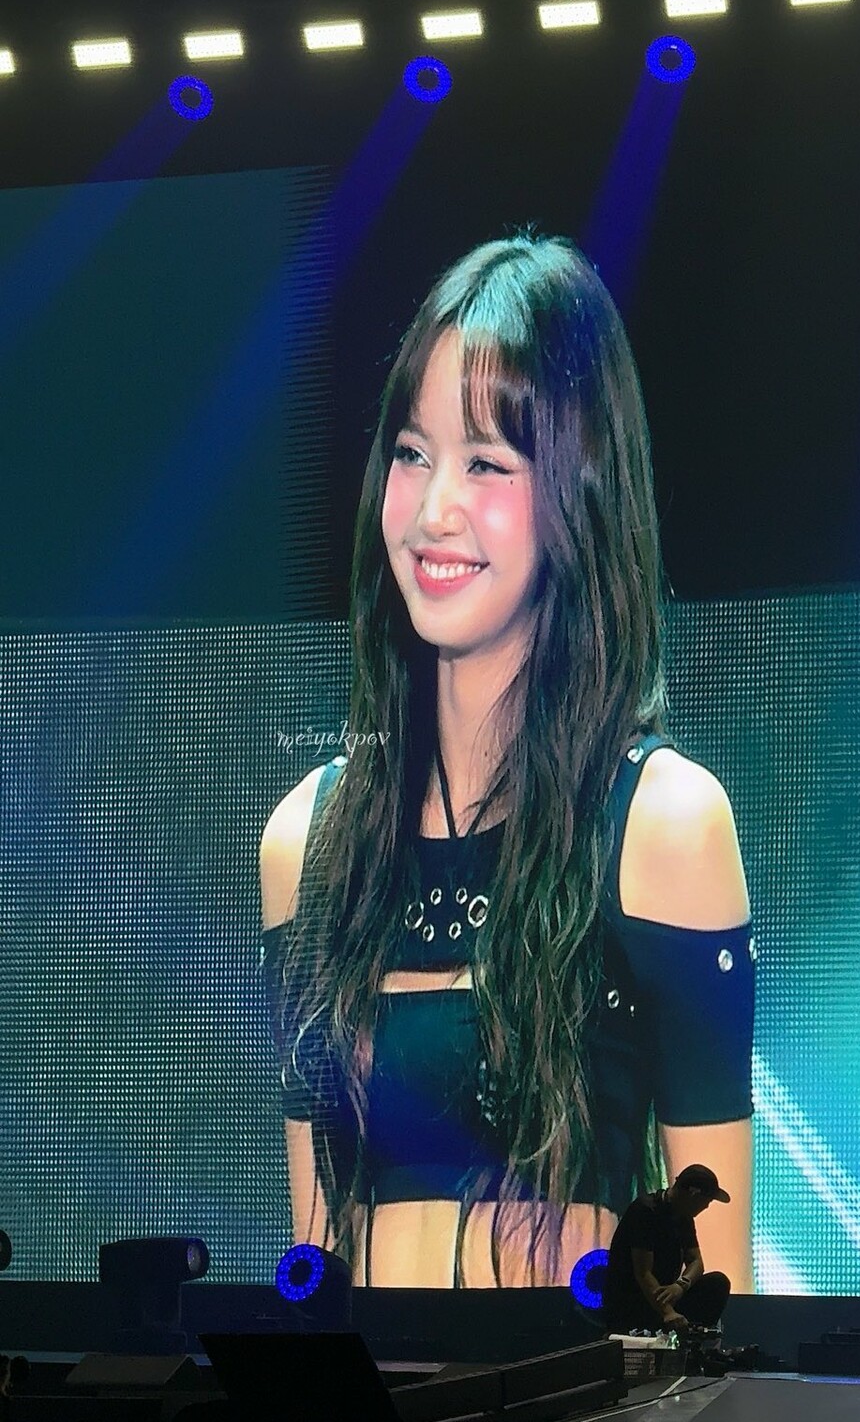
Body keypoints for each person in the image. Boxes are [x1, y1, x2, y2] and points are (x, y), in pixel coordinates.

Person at [260, 230, 756, 1291]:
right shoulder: (307, 842)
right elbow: (309, 1250)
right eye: (411, 453)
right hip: (367, 1398)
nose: (433, 509)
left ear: (581, 489)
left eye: (486, 463)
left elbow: (716, 1284)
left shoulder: (663, 824)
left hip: (585, 1393)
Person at [601, 1164, 732, 1334]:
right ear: (693, 1194)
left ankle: (691, 1337)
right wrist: (668, 1313)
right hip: (634, 1302)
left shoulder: (684, 1217)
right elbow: (643, 1273)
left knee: (717, 1283)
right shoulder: (645, 1211)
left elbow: (696, 1261)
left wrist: (680, 1286)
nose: (706, 1207)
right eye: (706, 1201)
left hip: (665, 1296)